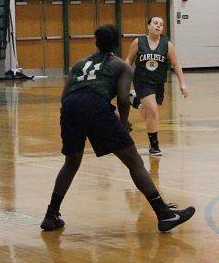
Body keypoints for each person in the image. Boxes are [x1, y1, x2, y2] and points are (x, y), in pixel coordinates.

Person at [41, 24, 195, 233]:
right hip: (95, 106)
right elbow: (123, 98)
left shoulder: (79, 63)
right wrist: (122, 123)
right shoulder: (121, 65)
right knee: (134, 161)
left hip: (69, 107)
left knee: (71, 163)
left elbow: (65, 96)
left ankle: (51, 215)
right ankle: (164, 214)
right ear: (116, 43)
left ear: (96, 42)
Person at [125, 16, 188, 156]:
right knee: (153, 111)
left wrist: (182, 84)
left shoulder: (167, 44)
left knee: (148, 114)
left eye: (161, 24)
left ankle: (135, 101)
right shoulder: (138, 42)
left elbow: (176, 64)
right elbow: (129, 60)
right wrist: (122, 78)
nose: (158, 26)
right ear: (148, 26)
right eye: (155, 23)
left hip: (158, 83)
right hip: (142, 81)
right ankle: (154, 146)